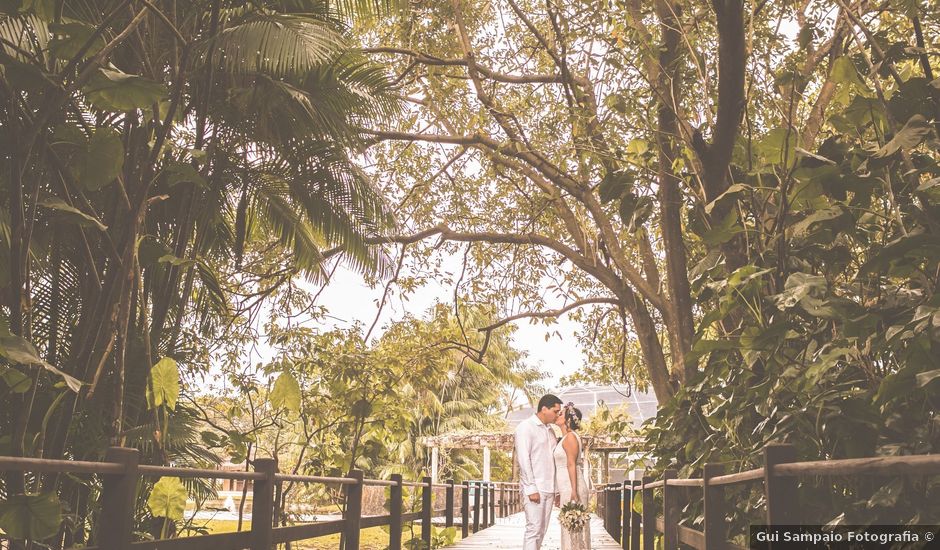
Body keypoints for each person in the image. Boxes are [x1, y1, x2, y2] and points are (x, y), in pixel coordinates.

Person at [515, 393, 563, 550]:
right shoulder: (525, 427)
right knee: (533, 530)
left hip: (549, 488)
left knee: (542, 531)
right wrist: (531, 488)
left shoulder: (550, 431)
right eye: (555, 411)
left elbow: (553, 462)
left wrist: (556, 490)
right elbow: (523, 460)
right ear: (544, 409)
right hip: (535, 488)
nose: (557, 415)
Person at [554, 402, 591, 550]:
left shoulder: (570, 438)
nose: (557, 415)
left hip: (572, 487)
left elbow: (571, 465)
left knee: (575, 530)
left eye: (561, 414)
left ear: (568, 420)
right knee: (568, 529)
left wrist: (574, 492)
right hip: (566, 487)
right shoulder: (565, 438)